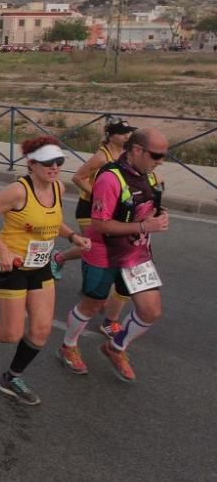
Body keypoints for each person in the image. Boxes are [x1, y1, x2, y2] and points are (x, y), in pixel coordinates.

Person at [0, 136, 91, 405]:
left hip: (40, 266)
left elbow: (51, 222)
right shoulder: (18, 191)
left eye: (59, 161)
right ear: (31, 164)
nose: (54, 167)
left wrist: (72, 237)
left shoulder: (58, 188)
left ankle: (11, 377)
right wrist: (3, 250)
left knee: (41, 330)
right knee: (11, 333)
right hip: (12, 267)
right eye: (47, 162)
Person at [56, 128, 168, 382]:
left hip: (136, 254)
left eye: (163, 156)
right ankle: (68, 345)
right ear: (137, 150)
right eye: (156, 155)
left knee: (150, 311)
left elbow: (147, 207)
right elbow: (99, 224)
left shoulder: (149, 176)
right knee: (92, 304)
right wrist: (143, 226)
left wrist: (159, 216)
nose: (160, 161)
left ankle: (115, 348)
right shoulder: (110, 178)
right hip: (103, 252)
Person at [50, 119, 137, 332]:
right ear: (111, 135)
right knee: (91, 247)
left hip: (109, 211)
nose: (127, 136)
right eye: (122, 133)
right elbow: (78, 178)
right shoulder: (102, 156)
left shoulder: (125, 156)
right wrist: (100, 195)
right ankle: (66, 265)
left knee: (101, 249)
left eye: (129, 133)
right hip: (89, 209)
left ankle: (65, 263)